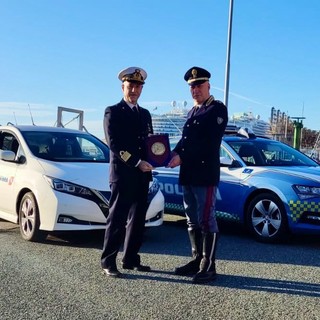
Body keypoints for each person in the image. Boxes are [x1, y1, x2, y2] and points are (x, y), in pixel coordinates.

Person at [167, 66, 228, 284]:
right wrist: (173, 151)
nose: (195, 90)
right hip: (189, 175)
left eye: (199, 86)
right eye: (192, 87)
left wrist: (181, 157)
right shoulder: (193, 112)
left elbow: (208, 143)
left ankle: (209, 266)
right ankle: (196, 259)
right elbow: (187, 141)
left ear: (208, 85)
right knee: (192, 219)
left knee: (206, 219)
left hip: (205, 174)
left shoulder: (217, 110)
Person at [101, 66, 154, 278]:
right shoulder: (112, 111)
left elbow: (150, 143)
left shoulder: (145, 114)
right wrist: (137, 162)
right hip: (123, 174)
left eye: (138, 86)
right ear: (123, 86)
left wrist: (156, 159)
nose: (134, 90)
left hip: (142, 175)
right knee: (117, 219)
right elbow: (114, 144)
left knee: (138, 219)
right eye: (130, 85)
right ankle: (108, 260)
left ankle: (131, 258)